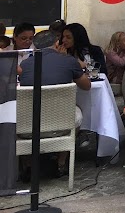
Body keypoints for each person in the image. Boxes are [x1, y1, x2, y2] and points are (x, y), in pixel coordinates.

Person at [18, 30, 91, 178]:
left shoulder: (24, 64)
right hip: (61, 127)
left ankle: (27, 163)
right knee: (77, 112)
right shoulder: (69, 61)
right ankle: (61, 162)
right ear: (57, 44)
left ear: (34, 47)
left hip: (29, 128)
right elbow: (86, 86)